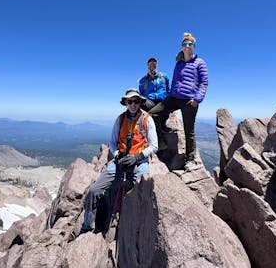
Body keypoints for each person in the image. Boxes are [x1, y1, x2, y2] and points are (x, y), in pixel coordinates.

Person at [80, 88, 158, 234]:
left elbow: (154, 145)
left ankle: (139, 230)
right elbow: (113, 142)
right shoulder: (120, 119)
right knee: (94, 191)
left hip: (139, 162)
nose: (133, 104)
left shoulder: (147, 119)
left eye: (136, 101)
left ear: (140, 102)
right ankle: (87, 226)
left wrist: (137, 156)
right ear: (126, 103)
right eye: (130, 101)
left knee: (142, 193)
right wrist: (117, 155)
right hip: (120, 161)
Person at [149, 32, 208, 170]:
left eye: (190, 44)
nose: (187, 46)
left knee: (189, 131)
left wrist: (197, 99)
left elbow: (204, 82)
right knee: (152, 114)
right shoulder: (179, 63)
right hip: (174, 97)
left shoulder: (199, 62)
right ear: (182, 47)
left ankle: (190, 159)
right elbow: (176, 80)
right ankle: (161, 140)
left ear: (194, 46)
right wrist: (170, 94)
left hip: (189, 100)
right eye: (184, 44)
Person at [137, 57, 171, 132]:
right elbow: (141, 94)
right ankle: (146, 124)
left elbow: (168, 90)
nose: (152, 65)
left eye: (154, 64)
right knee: (140, 101)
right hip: (150, 103)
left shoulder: (164, 76)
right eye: (150, 64)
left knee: (169, 102)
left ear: (157, 65)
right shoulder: (143, 80)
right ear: (148, 66)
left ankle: (162, 125)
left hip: (162, 102)